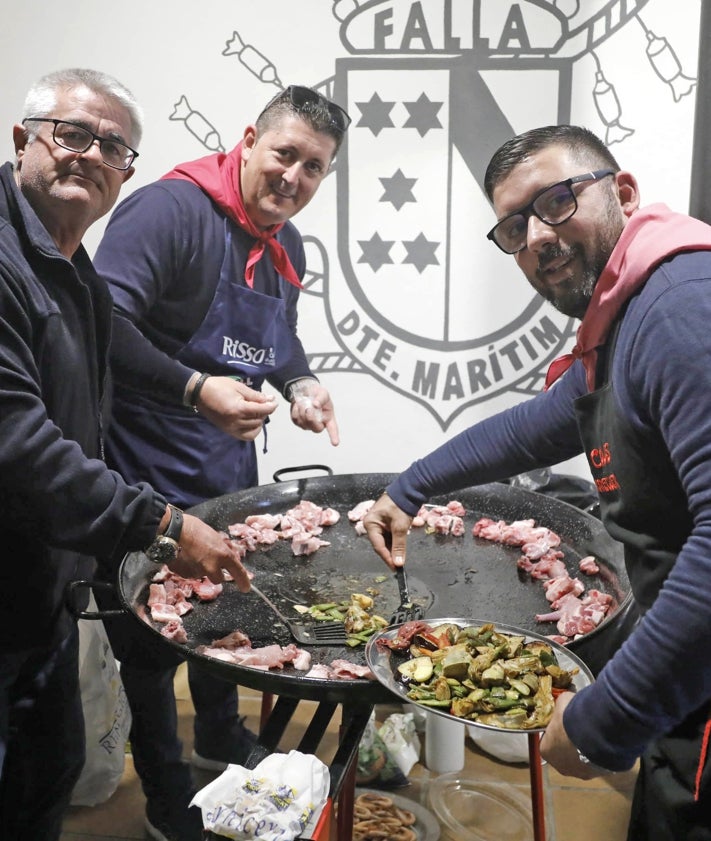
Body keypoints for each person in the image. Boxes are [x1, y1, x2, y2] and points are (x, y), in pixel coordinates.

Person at [362, 123, 711, 840]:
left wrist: (599, 720)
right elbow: (535, 425)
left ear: (623, 193)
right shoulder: (623, 319)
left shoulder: (680, 307)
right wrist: (408, 488)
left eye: (555, 202)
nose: (536, 238)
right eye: (514, 227)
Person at [92, 84, 348, 841]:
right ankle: (166, 788)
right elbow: (101, 322)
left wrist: (299, 384)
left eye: (314, 167)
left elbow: (278, 341)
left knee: (220, 620)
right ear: (247, 140)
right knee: (146, 646)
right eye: (284, 154)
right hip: (141, 474)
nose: (294, 178)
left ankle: (217, 735)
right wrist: (195, 387)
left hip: (223, 476)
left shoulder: (285, 245)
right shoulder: (170, 212)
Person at [0, 68, 250, 841]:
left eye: (112, 146)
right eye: (71, 134)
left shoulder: (69, 264)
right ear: (22, 140)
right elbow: (19, 443)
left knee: (49, 768)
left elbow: (122, 351)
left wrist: (195, 387)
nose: (89, 156)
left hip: (39, 584)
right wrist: (163, 525)